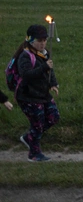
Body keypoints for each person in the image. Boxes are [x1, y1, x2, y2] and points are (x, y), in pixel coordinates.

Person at [16, 24, 59, 162]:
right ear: (30, 40)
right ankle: (34, 154)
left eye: (44, 40)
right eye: (39, 40)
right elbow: (26, 74)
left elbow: (50, 71)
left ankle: (29, 137)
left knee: (53, 117)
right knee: (37, 125)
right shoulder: (25, 56)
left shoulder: (44, 53)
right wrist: (43, 67)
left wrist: (53, 83)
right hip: (28, 96)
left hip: (43, 94)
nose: (43, 43)